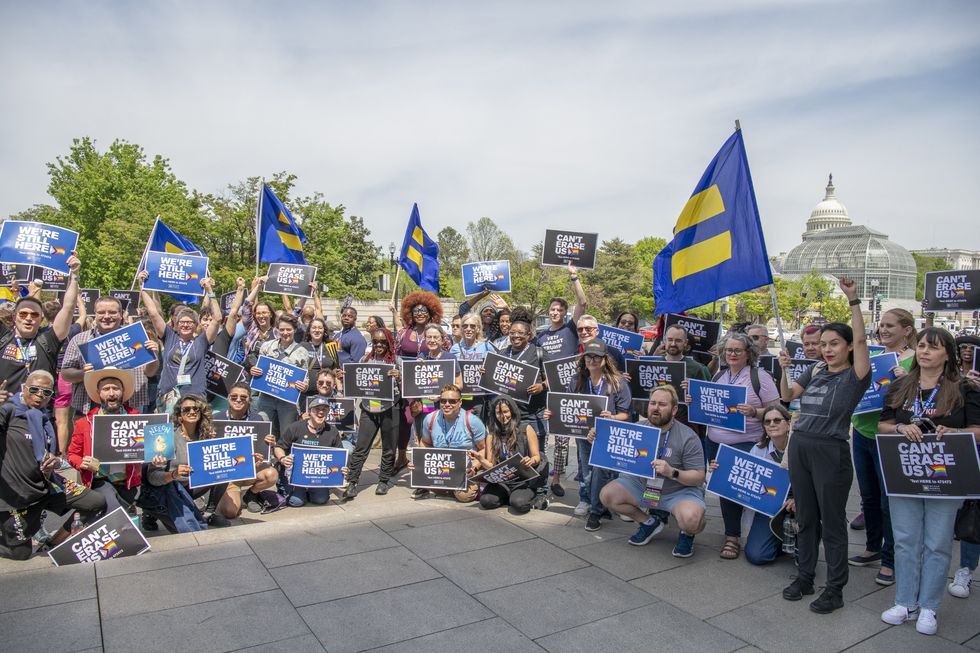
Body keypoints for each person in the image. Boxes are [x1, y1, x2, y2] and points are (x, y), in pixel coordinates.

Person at [877, 327, 980, 635]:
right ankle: (905, 602)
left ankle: (929, 607)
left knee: (937, 543)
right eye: (921, 346)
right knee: (906, 540)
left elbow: (977, 430)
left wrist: (955, 433)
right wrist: (899, 430)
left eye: (932, 348)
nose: (924, 352)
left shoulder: (964, 388)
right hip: (905, 474)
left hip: (944, 477)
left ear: (947, 354)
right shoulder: (900, 385)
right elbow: (883, 424)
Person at [777, 277, 871, 614]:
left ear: (847, 347)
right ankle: (805, 577)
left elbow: (861, 339)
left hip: (830, 451)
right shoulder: (817, 370)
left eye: (835, 343)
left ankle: (834, 588)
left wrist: (853, 300)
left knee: (831, 523)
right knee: (805, 517)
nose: (828, 349)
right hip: (801, 445)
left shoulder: (855, 376)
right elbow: (787, 398)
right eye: (824, 343)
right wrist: (784, 370)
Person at [0, 371, 107, 560]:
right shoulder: (8, 411)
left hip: (49, 484)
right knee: (20, 553)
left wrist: (56, 461)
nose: (40, 395)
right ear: (24, 388)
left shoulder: (44, 419)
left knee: (96, 503)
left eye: (46, 392)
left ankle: (53, 543)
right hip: (19, 495)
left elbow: (49, 452)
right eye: (34, 390)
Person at [848, 308, 916, 585]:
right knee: (869, 497)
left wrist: (905, 381)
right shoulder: (876, 356)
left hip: (891, 437)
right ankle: (872, 547)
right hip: (863, 431)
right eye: (882, 326)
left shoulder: (915, 360)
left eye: (890, 326)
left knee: (890, 502)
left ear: (907, 330)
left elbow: (922, 397)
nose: (883, 330)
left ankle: (891, 559)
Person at [599, 386, 707, 557]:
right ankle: (649, 523)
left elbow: (699, 477)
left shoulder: (688, 437)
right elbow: (609, 450)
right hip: (644, 486)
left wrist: (672, 472)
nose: (656, 408)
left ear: (674, 409)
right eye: (653, 403)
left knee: (691, 520)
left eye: (662, 404)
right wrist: (595, 438)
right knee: (607, 495)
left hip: (678, 491)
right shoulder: (638, 428)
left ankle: (687, 534)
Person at [706, 331, 781, 560]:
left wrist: (755, 412)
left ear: (748, 354)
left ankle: (745, 536)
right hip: (715, 442)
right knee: (723, 488)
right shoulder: (719, 375)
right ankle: (732, 534)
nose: (732, 354)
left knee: (738, 488)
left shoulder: (760, 377)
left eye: (738, 350)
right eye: (729, 350)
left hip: (746, 442)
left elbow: (776, 411)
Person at [564, 340, 632, 530]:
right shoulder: (576, 380)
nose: (592, 360)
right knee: (587, 475)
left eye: (597, 356)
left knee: (601, 473)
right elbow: (567, 406)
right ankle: (599, 505)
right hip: (584, 436)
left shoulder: (618, 382)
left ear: (605, 359)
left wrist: (612, 417)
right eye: (589, 356)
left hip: (607, 435)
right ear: (583, 358)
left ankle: (595, 511)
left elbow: (625, 414)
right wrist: (553, 415)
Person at [61, 296, 160, 423]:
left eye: (112, 312)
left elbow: (150, 372)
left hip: (131, 406)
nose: (107, 316)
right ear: (95, 314)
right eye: (101, 312)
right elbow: (65, 373)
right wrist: (82, 373)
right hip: (89, 408)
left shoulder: (136, 337)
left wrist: (153, 356)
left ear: (121, 314)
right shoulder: (80, 340)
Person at [534, 264, 588, 497]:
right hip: (546, 391)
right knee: (543, 435)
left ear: (565, 313)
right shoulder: (541, 336)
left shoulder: (570, 329)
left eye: (558, 309)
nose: (554, 312)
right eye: (552, 309)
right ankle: (542, 473)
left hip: (568, 391)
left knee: (564, 439)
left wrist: (574, 276)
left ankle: (557, 477)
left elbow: (583, 304)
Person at [0, 253, 82, 406]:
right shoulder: (3, 337)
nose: (28, 318)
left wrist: (75, 274)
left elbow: (68, 308)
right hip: (5, 415)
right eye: (23, 314)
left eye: (34, 314)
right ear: (14, 318)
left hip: (39, 415)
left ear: (41, 318)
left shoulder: (48, 339)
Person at [138, 271, 222, 411]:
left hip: (195, 397)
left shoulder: (202, 341)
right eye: (182, 322)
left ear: (196, 325)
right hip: (169, 397)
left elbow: (218, 318)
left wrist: (209, 290)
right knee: (170, 432)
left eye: (190, 322)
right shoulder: (169, 336)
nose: (185, 325)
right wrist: (143, 287)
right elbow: (153, 313)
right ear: (175, 325)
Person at [67, 369, 143, 515]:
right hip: (100, 481)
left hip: (128, 483)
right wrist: (81, 462)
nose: (111, 393)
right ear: (99, 393)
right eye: (106, 389)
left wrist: (157, 456)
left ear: (123, 391)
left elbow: (147, 449)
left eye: (116, 388)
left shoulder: (137, 418)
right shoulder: (84, 423)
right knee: (114, 512)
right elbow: (72, 455)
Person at [142, 394, 220, 532]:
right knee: (188, 529)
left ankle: (208, 512)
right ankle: (151, 513)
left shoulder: (206, 436)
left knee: (224, 470)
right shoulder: (167, 437)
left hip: (192, 485)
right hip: (169, 488)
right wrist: (173, 474)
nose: (192, 412)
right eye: (186, 409)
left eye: (196, 409)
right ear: (179, 415)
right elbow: (152, 477)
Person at [342, 327, 402, 499]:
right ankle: (353, 482)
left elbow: (408, 388)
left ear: (389, 342)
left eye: (383, 341)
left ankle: (383, 480)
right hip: (369, 408)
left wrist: (399, 377)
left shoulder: (396, 361)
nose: (379, 345)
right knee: (361, 446)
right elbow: (355, 382)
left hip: (391, 408)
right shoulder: (364, 359)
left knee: (389, 447)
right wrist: (346, 376)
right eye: (376, 341)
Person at [212, 382, 282, 515]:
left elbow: (265, 452)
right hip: (228, 475)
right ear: (228, 398)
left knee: (271, 475)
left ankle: (250, 495)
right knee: (230, 512)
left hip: (250, 470)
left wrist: (269, 444)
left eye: (243, 398)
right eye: (234, 397)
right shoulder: (216, 419)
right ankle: (220, 493)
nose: (238, 400)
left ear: (249, 399)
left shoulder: (257, 420)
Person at [471, 396, 549, 513]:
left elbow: (537, 457)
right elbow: (491, 466)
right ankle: (507, 496)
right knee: (486, 501)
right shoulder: (492, 435)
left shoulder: (525, 429)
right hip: (502, 482)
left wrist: (531, 461)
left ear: (512, 411)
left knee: (519, 504)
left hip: (522, 481)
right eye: (498, 413)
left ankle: (526, 497)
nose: (503, 416)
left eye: (506, 411)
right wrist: (480, 459)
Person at [414, 384, 486, 503]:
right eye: (443, 401)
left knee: (464, 496)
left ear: (460, 402)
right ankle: (450, 488)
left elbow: (484, 449)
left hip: (466, 469)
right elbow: (425, 443)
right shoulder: (430, 419)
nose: (447, 404)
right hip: (442, 469)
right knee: (432, 484)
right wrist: (420, 465)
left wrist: (474, 467)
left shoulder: (472, 421)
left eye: (452, 401)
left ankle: (468, 485)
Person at [739, 404, 791, 565]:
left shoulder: (800, 447)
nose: (772, 424)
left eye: (777, 420)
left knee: (804, 553)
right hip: (769, 508)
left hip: (797, 505)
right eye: (767, 422)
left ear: (788, 423)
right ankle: (779, 541)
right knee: (757, 556)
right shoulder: (758, 449)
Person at [274, 395, 346, 507]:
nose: (321, 412)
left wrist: (343, 470)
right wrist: (283, 459)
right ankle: (289, 489)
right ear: (309, 411)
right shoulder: (295, 427)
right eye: (317, 409)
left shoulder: (332, 431)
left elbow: (339, 457)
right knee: (296, 502)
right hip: (294, 474)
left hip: (317, 475)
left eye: (324, 409)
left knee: (321, 500)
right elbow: (279, 447)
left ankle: (308, 492)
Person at [247, 313, 311, 436]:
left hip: (288, 402)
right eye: (282, 329)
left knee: (286, 435)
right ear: (277, 330)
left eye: (289, 329)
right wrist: (254, 371)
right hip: (266, 398)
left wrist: (304, 386)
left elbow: (305, 379)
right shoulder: (267, 346)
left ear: (295, 330)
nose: (285, 333)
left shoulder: (302, 352)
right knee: (264, 433)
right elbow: (259, 370)